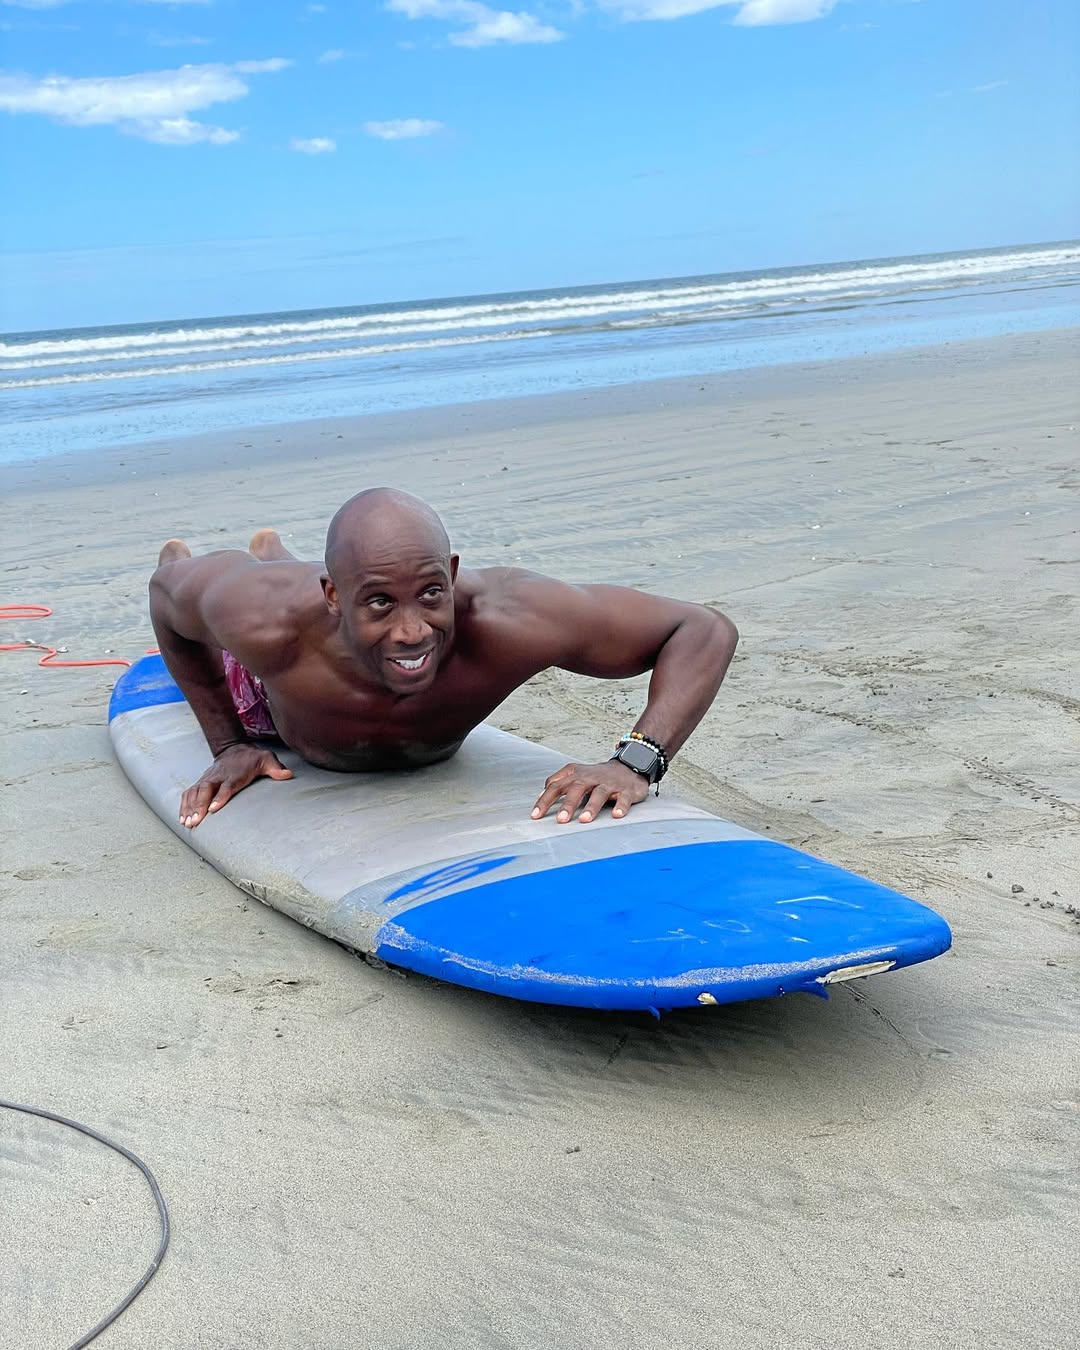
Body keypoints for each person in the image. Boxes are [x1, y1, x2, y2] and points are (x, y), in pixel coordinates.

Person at [149, 488, 738, 830]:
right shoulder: (263, 619)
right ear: (333, 597)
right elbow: (164, 597)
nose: (413, 632)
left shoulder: (510, 618)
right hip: (271, 708)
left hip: (322, 604)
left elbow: (702, 629)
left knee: (329, 584)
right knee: (205, 578)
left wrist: (636, 762)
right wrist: (229, 744)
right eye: (379, 602)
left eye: (432, 594)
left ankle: (280, 552)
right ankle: (251, 554)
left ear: (452, 574)